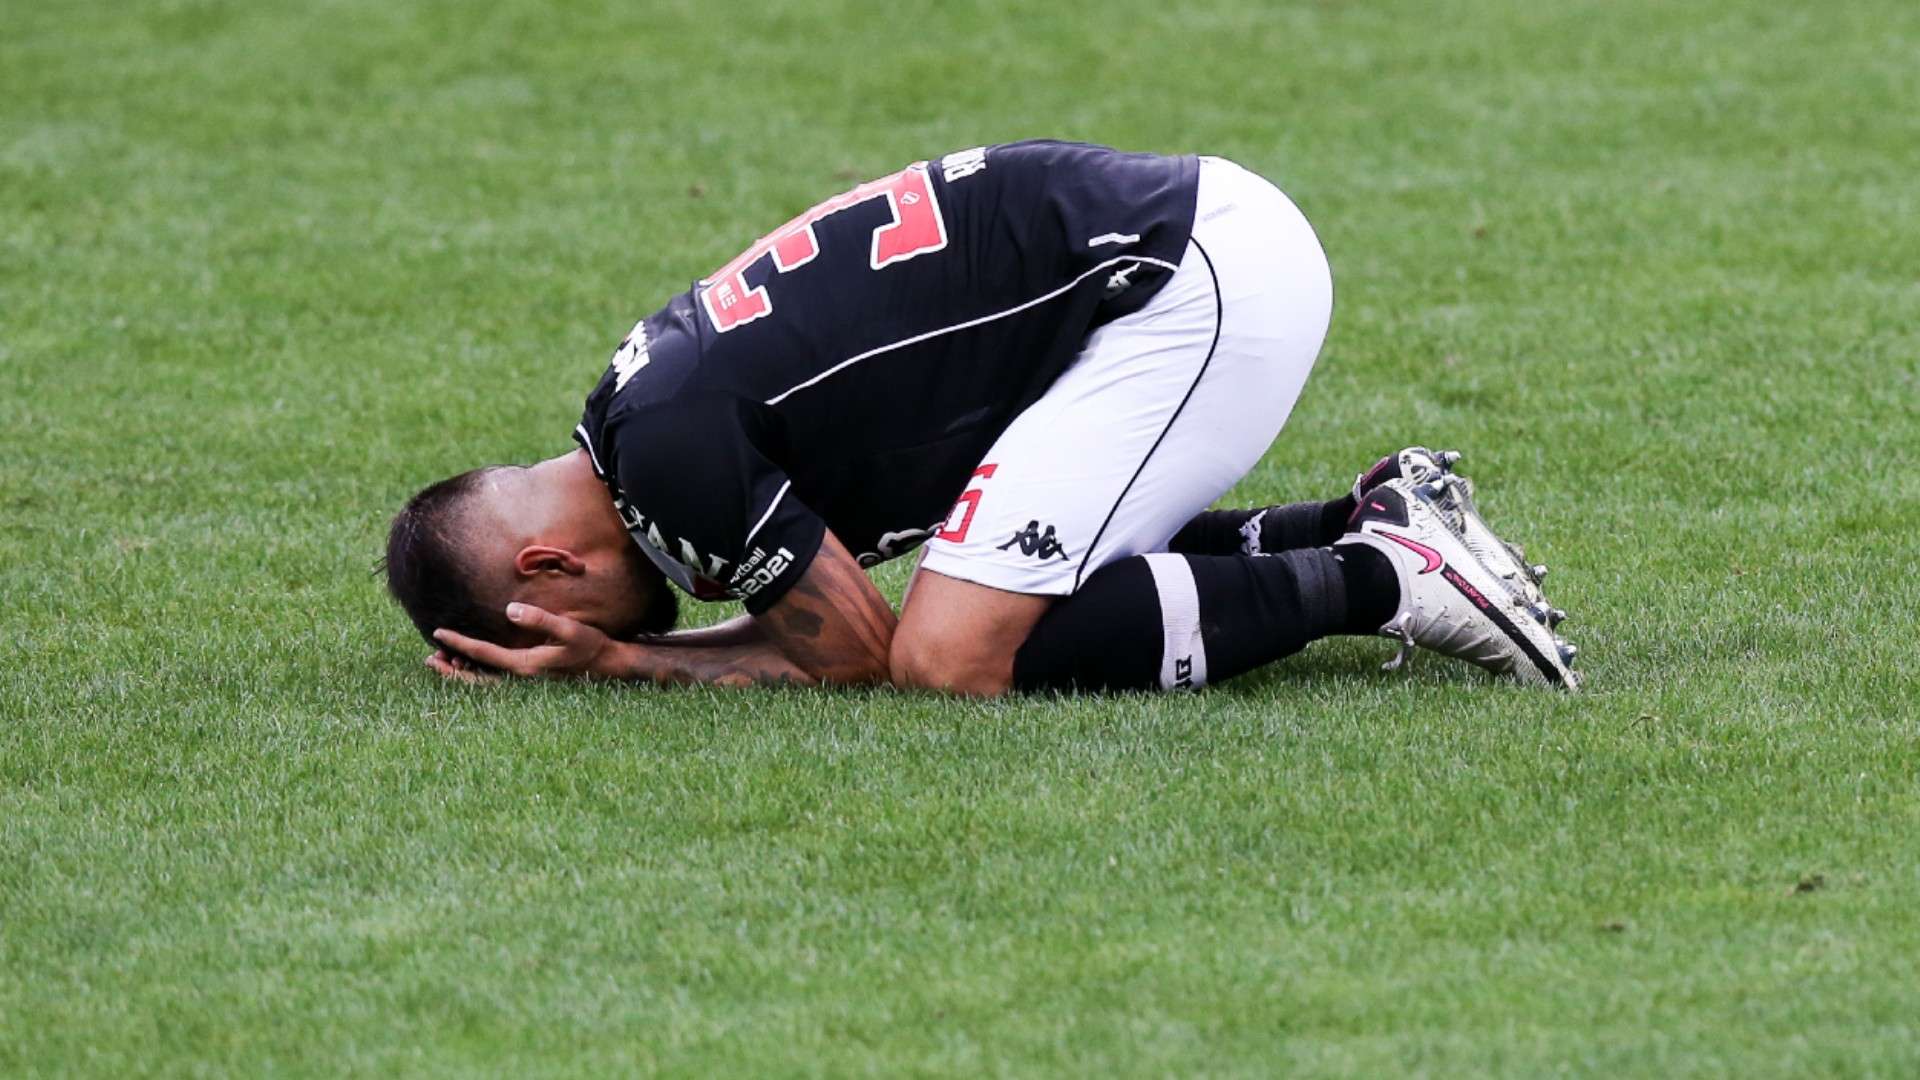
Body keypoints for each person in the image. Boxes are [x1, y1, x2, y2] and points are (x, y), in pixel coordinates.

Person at [384, 141, 1579, 693]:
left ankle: (1388, 573)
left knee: (955, 655)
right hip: (1180, 247)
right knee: (987, 584)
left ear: (547, 562)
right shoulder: (631, 406)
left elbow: (854, 651)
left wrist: (623, 660)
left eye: (551, 616)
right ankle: (1361, 517)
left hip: (1186, 283)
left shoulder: (665, 457)